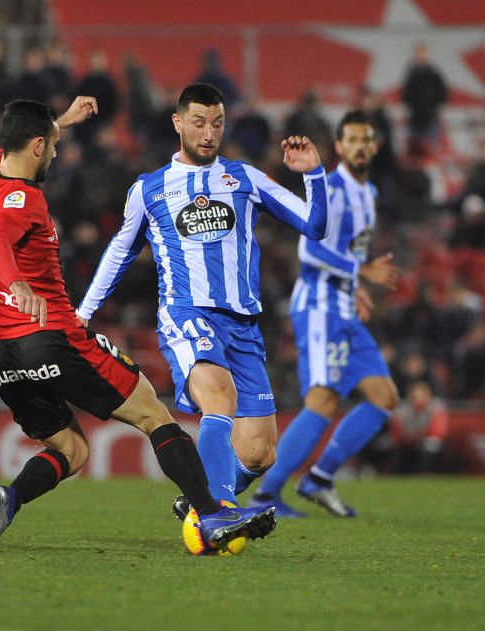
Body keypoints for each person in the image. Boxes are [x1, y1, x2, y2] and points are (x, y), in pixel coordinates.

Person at [0, 97, 275, 553]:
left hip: (0, 353)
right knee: (154, 416)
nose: (54, 153)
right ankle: (211, 514)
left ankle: (7, 500)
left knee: (73, 451)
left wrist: (61, 121)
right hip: (51, 338)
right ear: (35, 146)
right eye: (49, 146)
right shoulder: (25, 202)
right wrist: (19, 286)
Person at [77, 82, 329, 519]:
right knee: (219, 395)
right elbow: (120, 251)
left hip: (243, 324)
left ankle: (201, 498)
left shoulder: (244, 178)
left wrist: (313, 174)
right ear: (178, 124)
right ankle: (219, 512)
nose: (209, 133)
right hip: (186, 313)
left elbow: (315, 225)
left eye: (217, 123)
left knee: (258, 454)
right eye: (198, 123)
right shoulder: (150, 190)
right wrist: (82, 313)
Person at [251, 110, 401, 517]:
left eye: (365, 139)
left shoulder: (367, 194)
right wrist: (363, 272)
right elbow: (311, 250)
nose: (358, 146)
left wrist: (355, 290)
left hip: (343, 306)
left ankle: (319, 477)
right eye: (350, 139)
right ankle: (266, 495)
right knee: (322, 400)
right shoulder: (333, 189)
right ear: (339, 146)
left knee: (383, 395)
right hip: (319, 308)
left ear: (375, 146)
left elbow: (346, 252)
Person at [401, 43, 448, 147]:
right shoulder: (411, 74)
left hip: (430, 118)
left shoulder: (434, 75)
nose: (421, 56)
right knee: (414, 149)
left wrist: (438, 109)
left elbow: (442, 95)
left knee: (431, 148)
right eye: (418, 54)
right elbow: (406, 95)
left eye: (423, 53)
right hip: (415, 118)